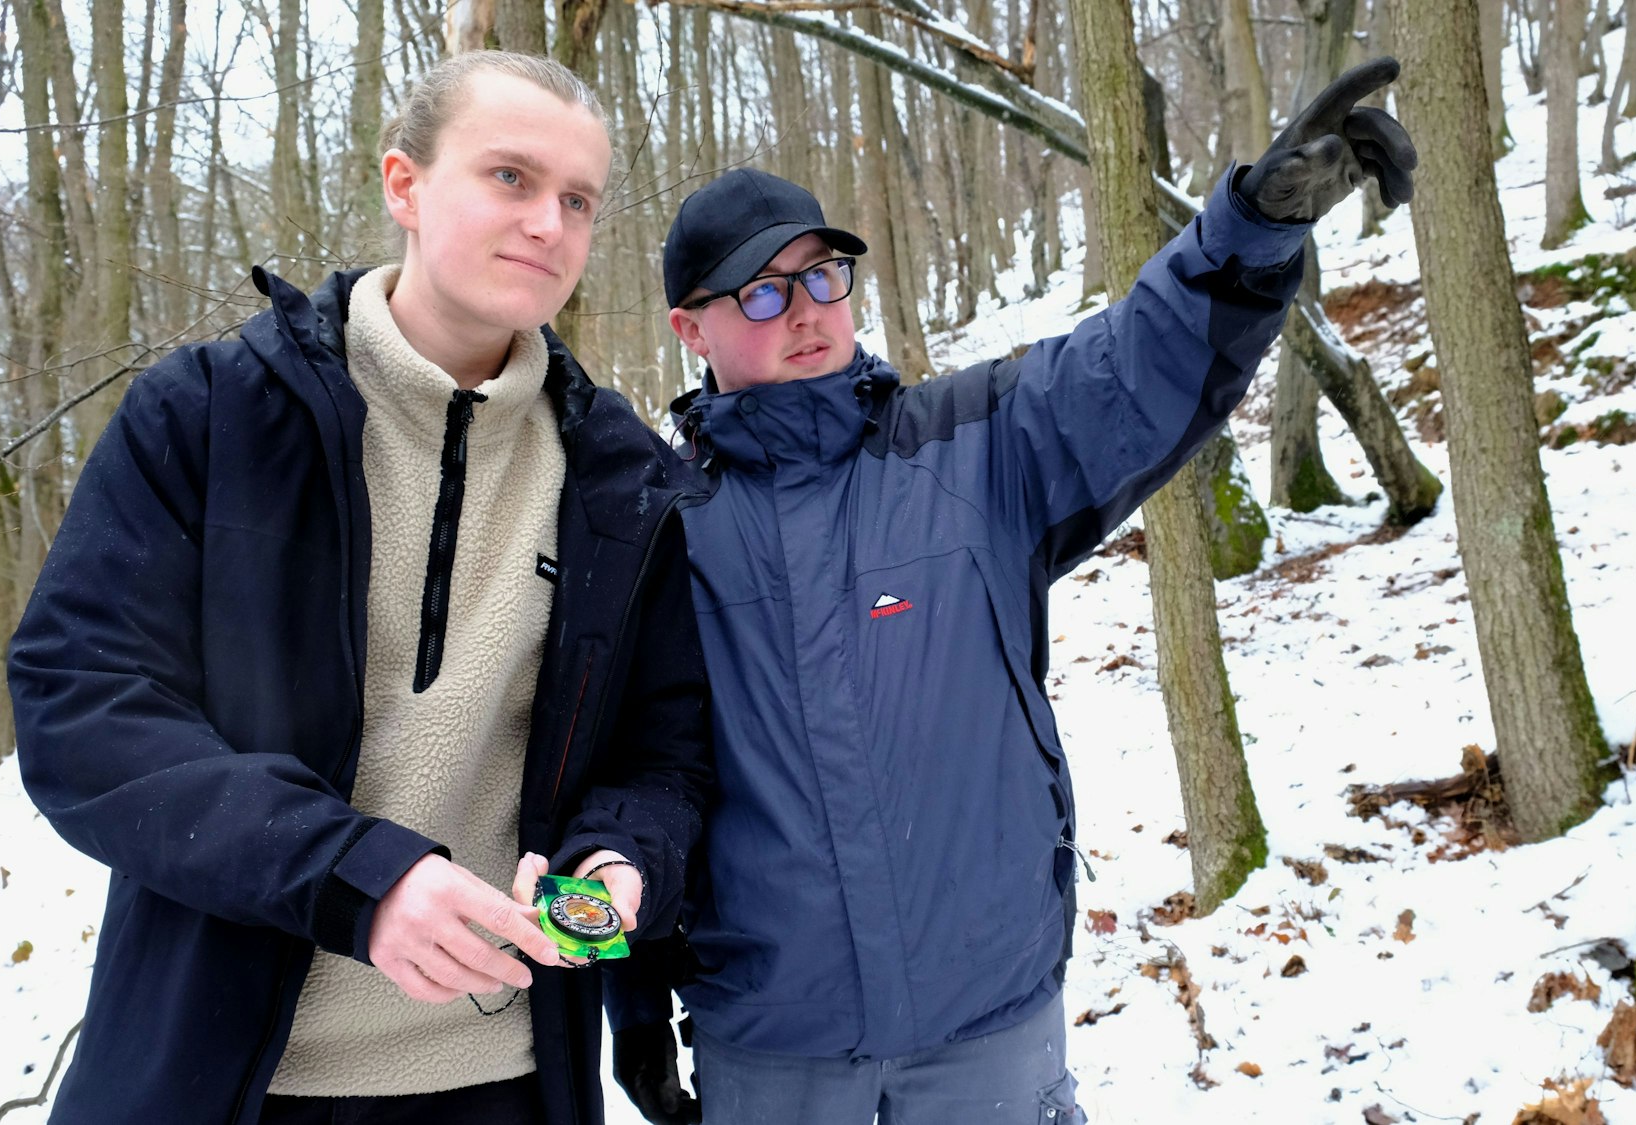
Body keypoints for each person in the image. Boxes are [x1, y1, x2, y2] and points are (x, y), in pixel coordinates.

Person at [603, 58, 1417, 1124]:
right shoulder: (661, 527)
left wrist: (1251, 230)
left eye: (821, 276)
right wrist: (634, 999)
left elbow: (1133, 365)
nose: (803, 311)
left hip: (987, 1024)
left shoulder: (971, 448)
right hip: (772, 1043)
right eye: (760, 292)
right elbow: (636, 777)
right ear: (690, 329)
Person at [7, 50, 713, 1125]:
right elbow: (82, 708)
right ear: (404, 185)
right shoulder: (208, 416)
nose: (547, 224)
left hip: (507, 1079)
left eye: (578, 200)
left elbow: (663, 755)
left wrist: (621, 858)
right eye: (511, 177)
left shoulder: (626, 481)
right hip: (221, 1073)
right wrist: (352, 874)